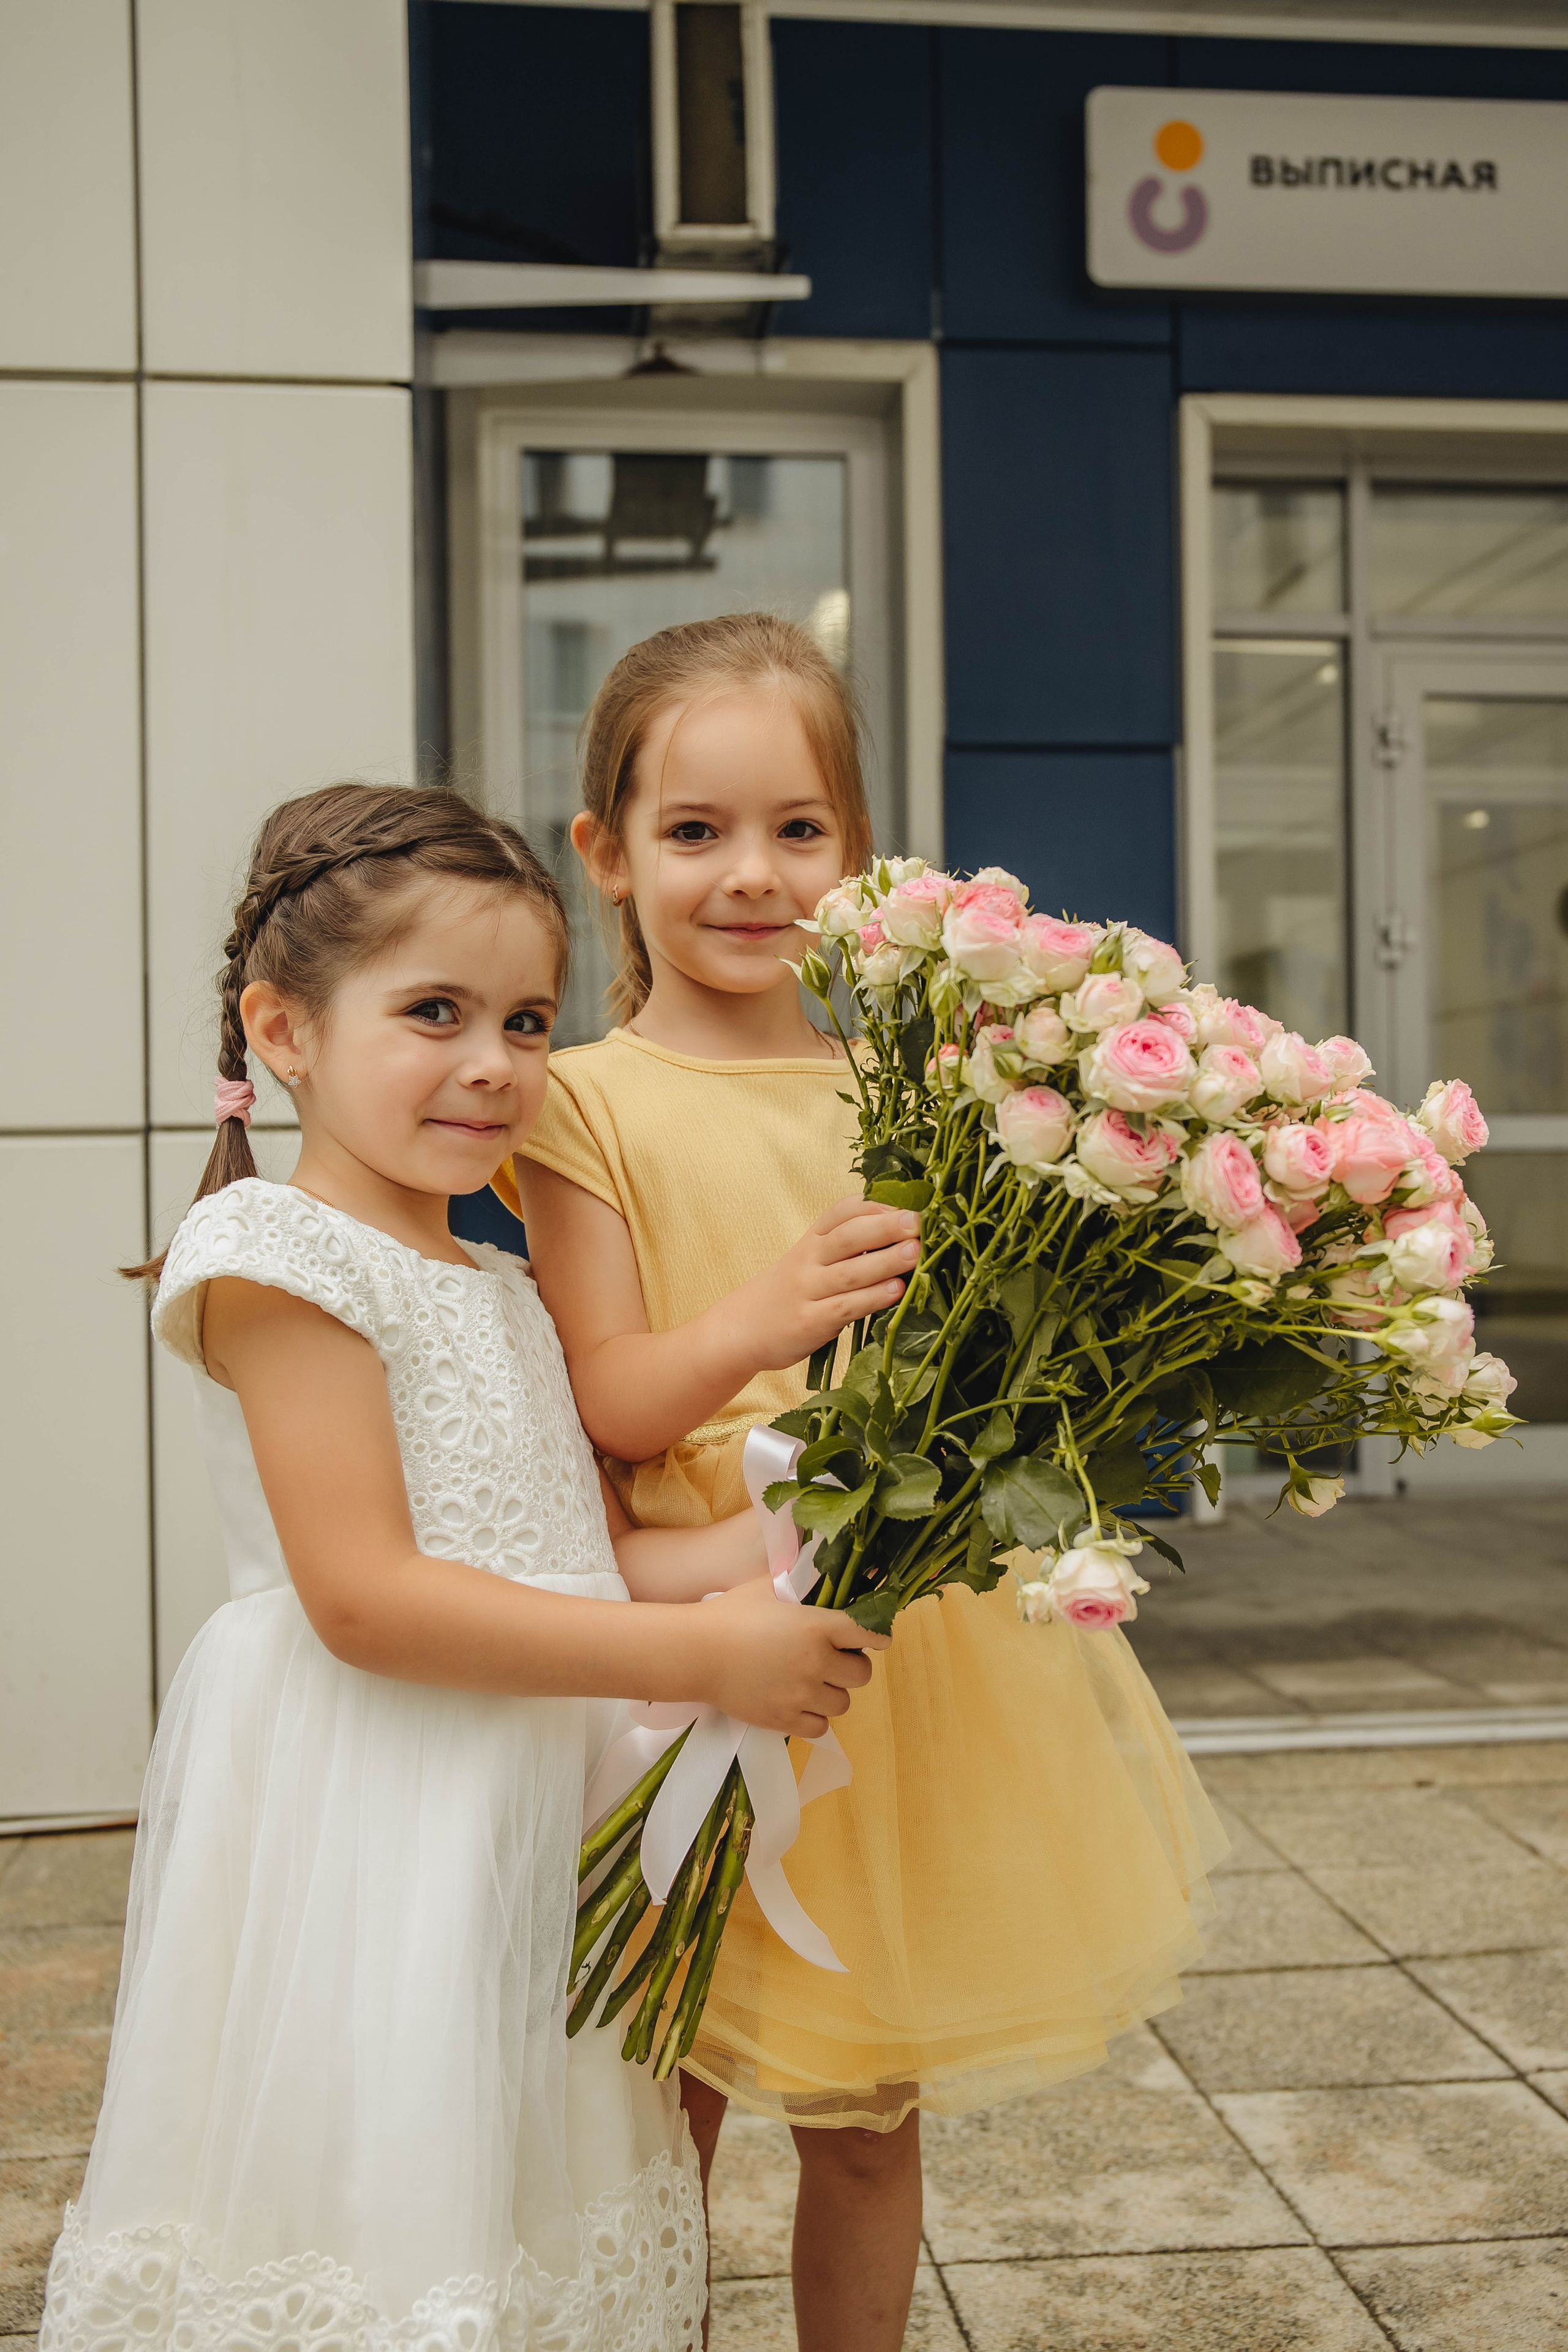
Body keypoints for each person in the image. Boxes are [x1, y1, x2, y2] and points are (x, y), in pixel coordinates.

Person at [40, 782, 890, 2352]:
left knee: (523, 2164)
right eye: (433, 1012)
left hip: (533, 1792)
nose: (494, 1063)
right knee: (396, 2163)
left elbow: (593, 1556)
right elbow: (364, 1597)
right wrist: (702, 1662)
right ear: (281, 1032)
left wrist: (812, 1530)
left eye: (523, 1018)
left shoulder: (497, 1283)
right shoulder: (280, 1263)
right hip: (382, 1802)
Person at [500, 613, 1229, 2352]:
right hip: (696, 1636)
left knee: (865, 2105)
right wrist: (759, 1314)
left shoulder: (923, 1091)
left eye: (796, 830)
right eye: (694, 832)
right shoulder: (575, 1102)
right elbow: (606, 1397)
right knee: (655, 2094)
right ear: (605, 854)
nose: (749, 876)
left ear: (857, 855)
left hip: (898, 1652)